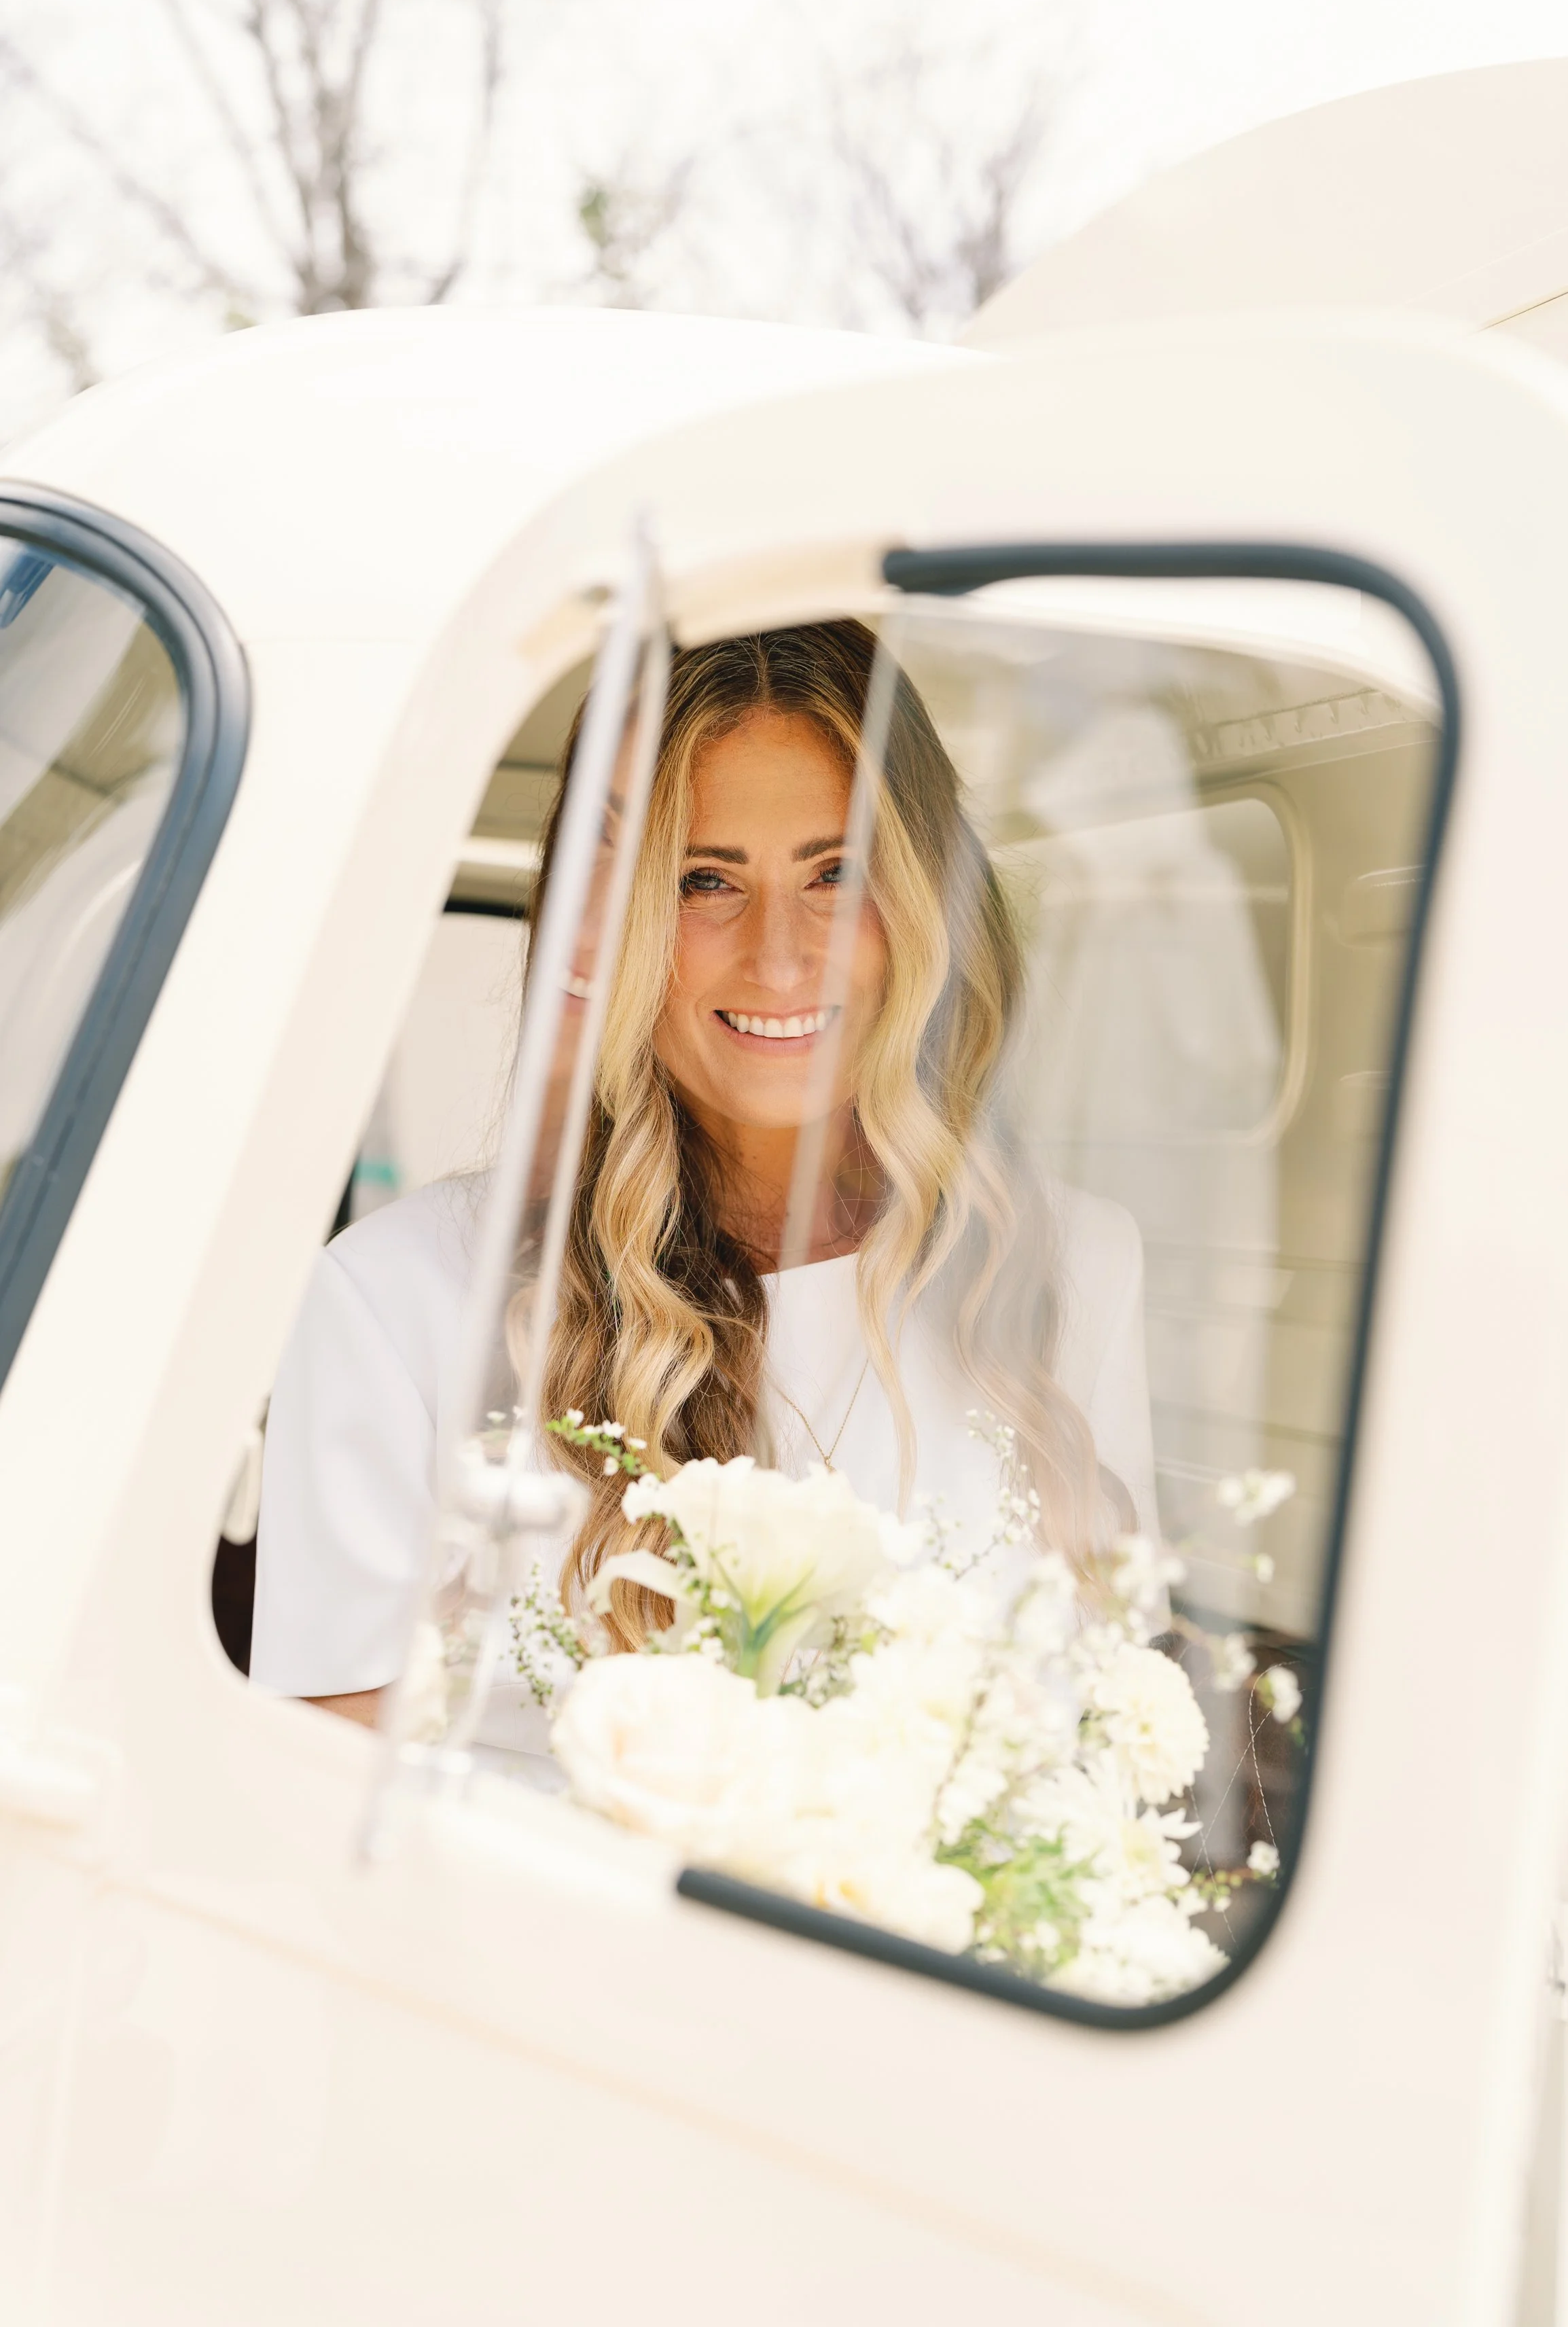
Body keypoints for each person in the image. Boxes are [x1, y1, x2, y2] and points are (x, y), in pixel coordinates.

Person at [251, 620, 1156, 1754]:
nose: (781, 957)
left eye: (839, 873)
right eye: (704, 881)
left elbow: (1113, 1733)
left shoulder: (1072, 1265)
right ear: (612, 927)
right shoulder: (398, 1302)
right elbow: (320, 1800)